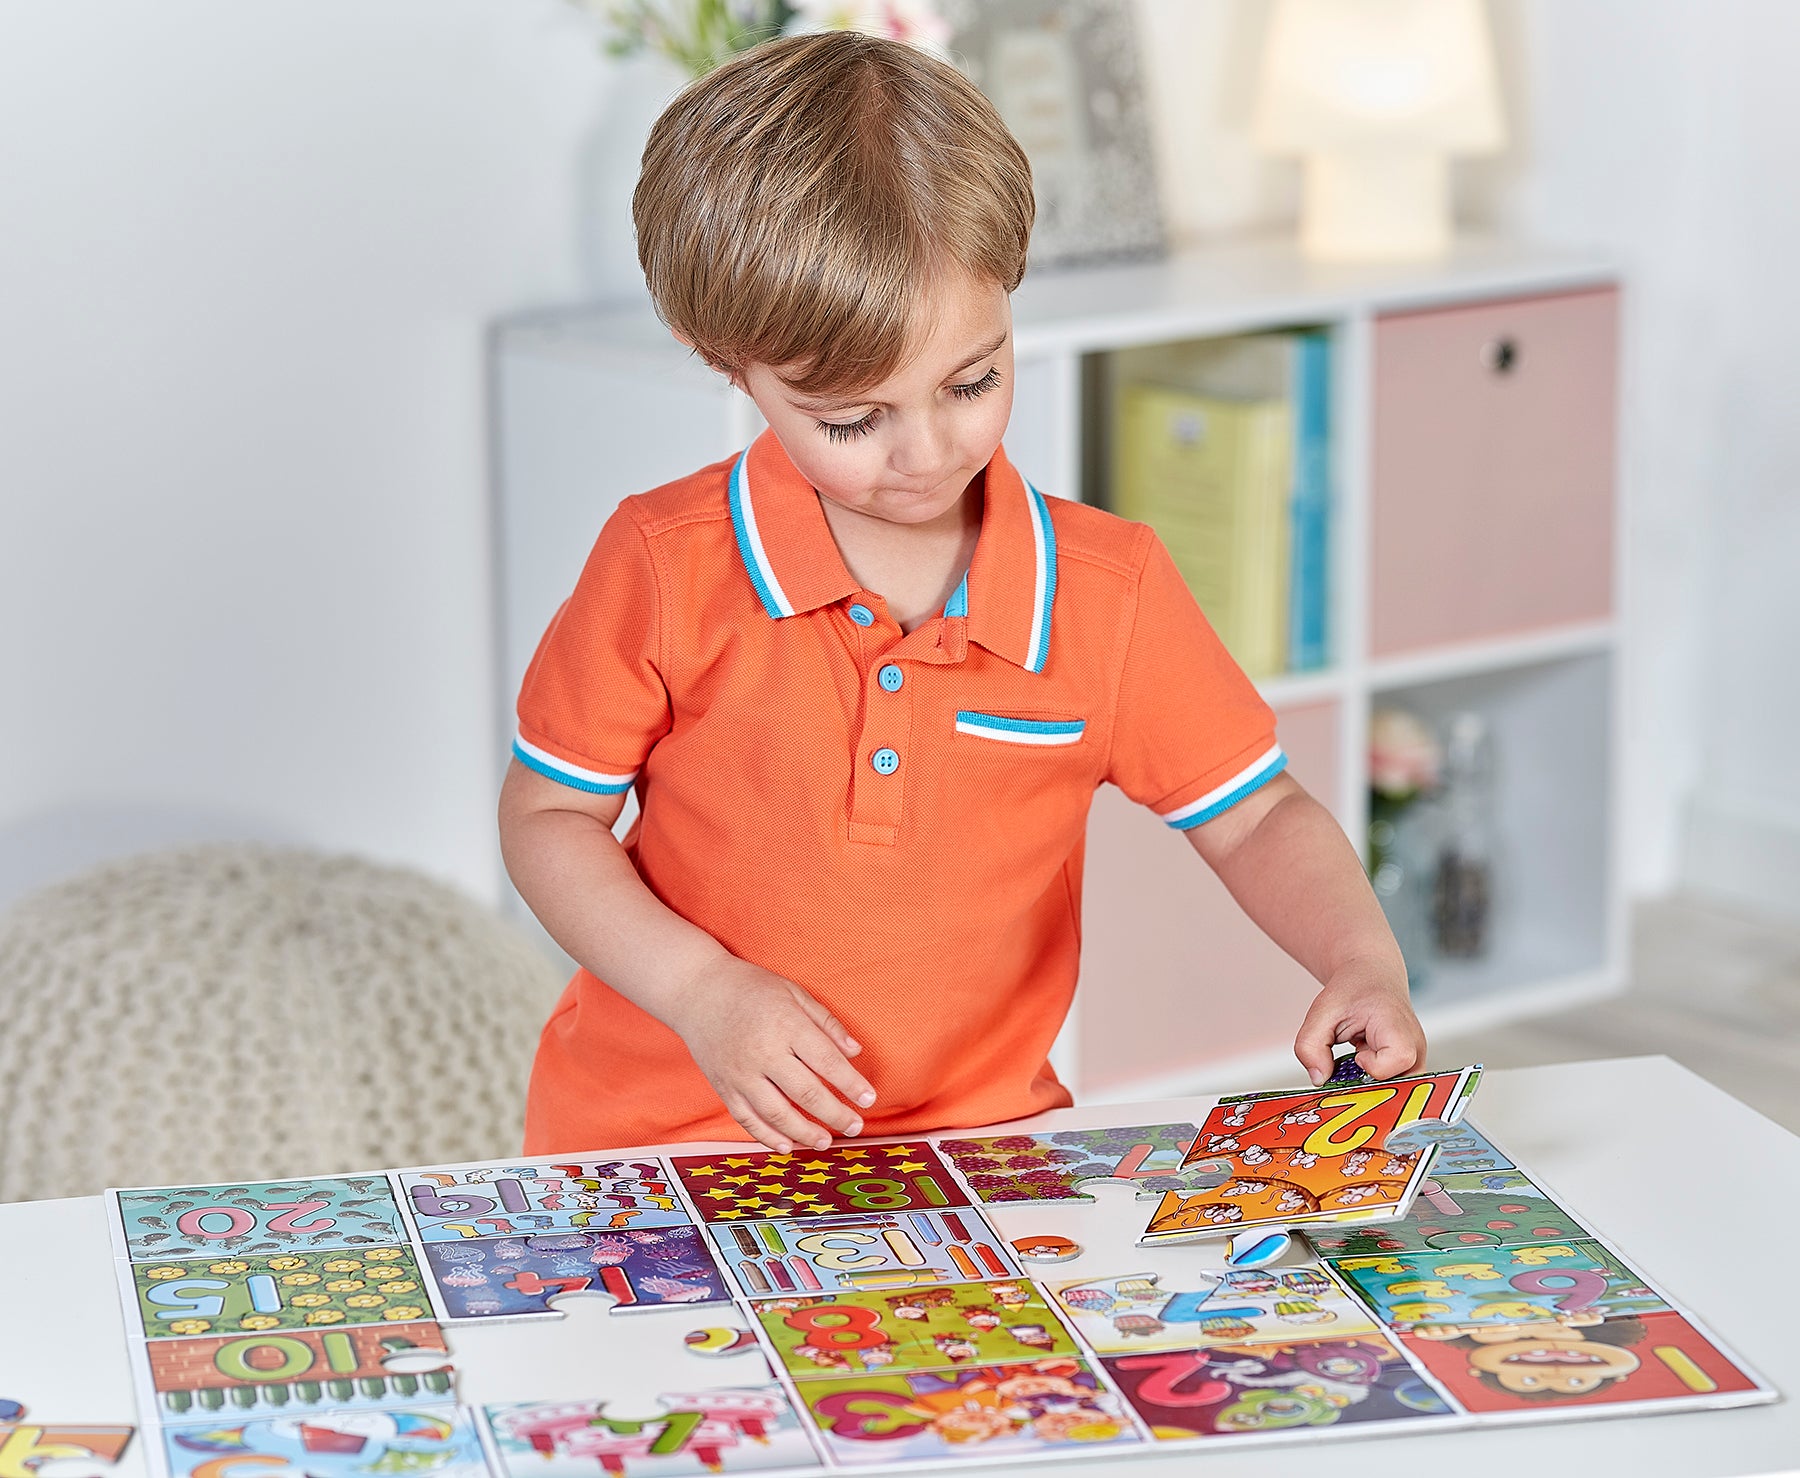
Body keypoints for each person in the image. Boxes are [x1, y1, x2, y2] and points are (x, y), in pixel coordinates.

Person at [498, 30, 1425, 1157]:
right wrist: (700, 990)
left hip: (974, 1152)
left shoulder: (1107, 592)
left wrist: (1361, 957)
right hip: (655, 1139)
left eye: (972, 381)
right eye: (853, 420)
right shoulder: (662, 560)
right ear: (725, 361)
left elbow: (1258, 815)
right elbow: (550, 820)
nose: (927, 452)